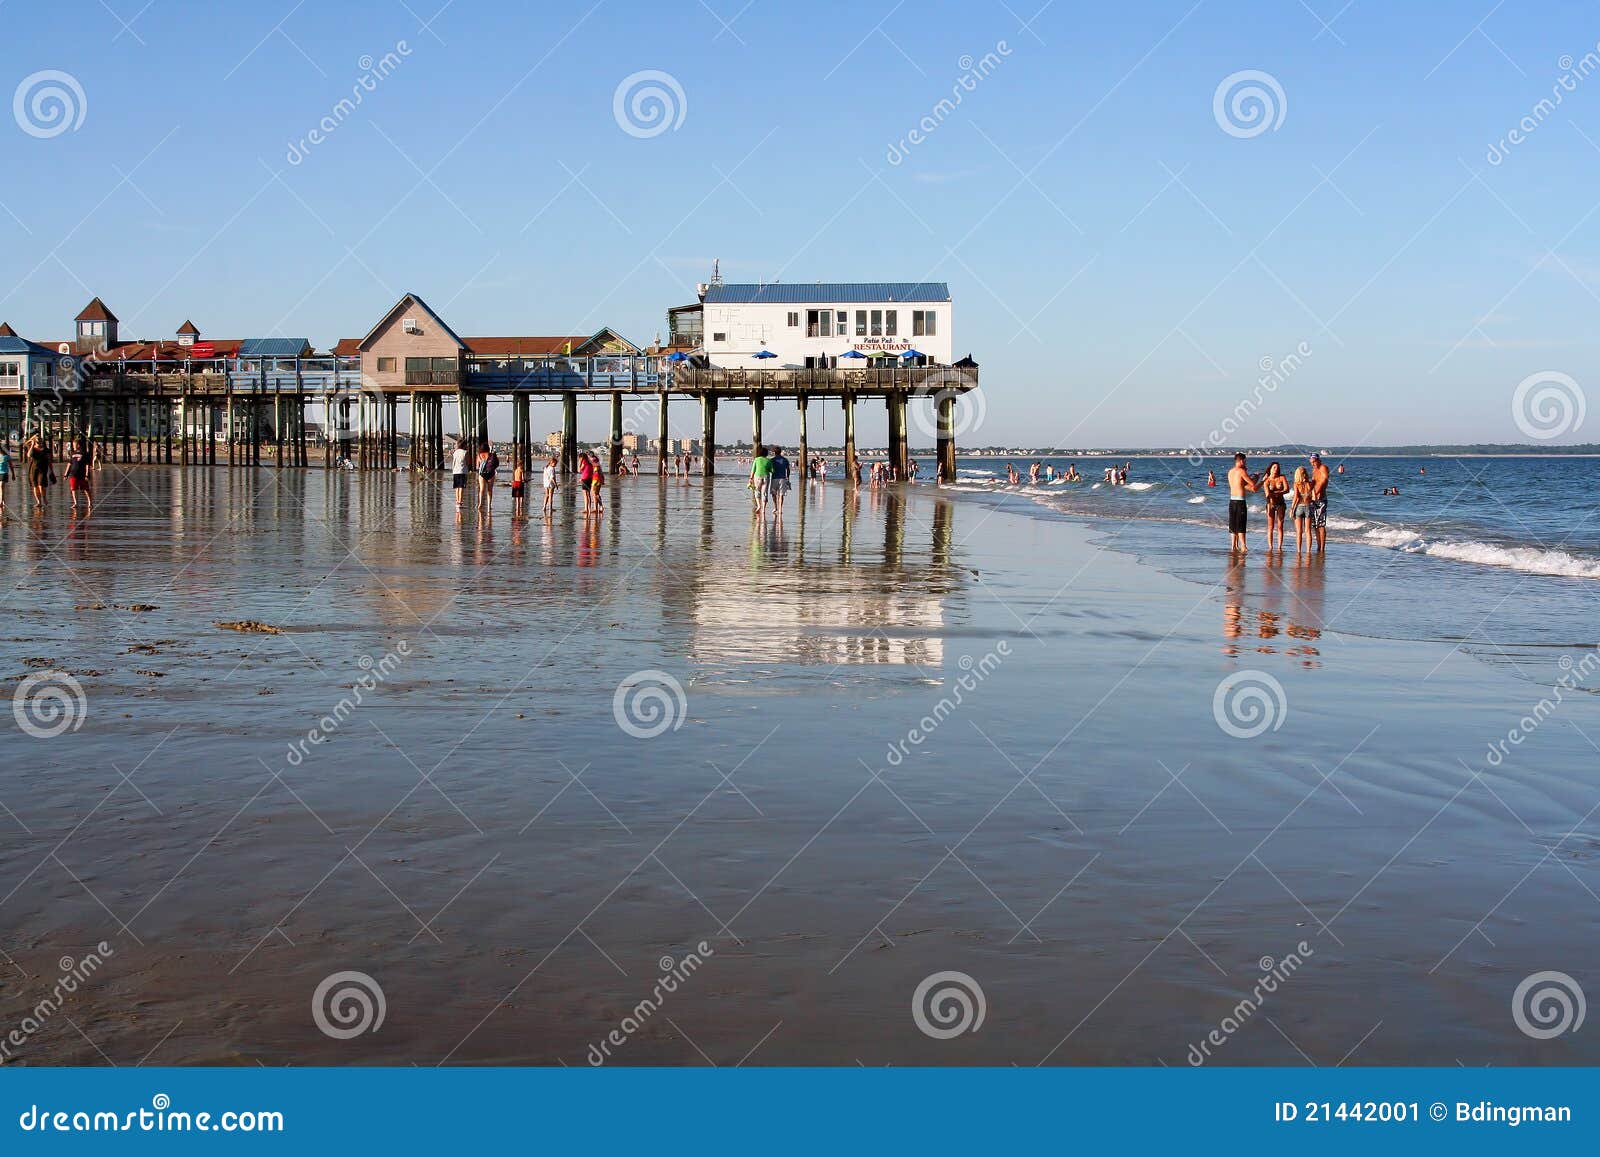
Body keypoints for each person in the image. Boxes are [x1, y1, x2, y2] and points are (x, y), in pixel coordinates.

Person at [1227, 452, 1259, 552]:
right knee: (1241, 524)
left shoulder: (1230, 472)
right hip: (1240, 501)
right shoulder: (1241, 471)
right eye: (1245, 461)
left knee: (1233, 524)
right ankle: (1243, 546)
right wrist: (1257, 476)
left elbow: (1241, 483)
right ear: (1241, 461)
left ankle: (1233, 546)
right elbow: (1252, 483)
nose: (1245, 463)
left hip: (1232, 500)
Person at [1261, 460, 1288, 551]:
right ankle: (1270, 546)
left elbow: (1287, 489)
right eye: (1274, 467)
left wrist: (1278, 492)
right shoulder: (1267, 480)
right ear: (1270, 469)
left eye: (1277, 468)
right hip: (1270, 503)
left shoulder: (1282, 478)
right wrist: (1274, 494)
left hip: (1281, 504)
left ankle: (1279, 546)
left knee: (1280, 526)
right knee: (1270, 526)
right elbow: (1267, 493)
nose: (1276, 469)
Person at [65, 437, 94, 515]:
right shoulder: (72, 453)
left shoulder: (85, 453)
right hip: (73, 474)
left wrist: (87, 474)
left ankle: (90, 502)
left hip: (82, 474)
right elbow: (69, 463)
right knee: (73, 488)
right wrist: (66, 474)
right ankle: (75, 503)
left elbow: (87, 464)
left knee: (86, 489)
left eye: (75, 444)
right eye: (73, 444)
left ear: (79, 445)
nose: (73, 446)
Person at [1308, 453, 1331, 553]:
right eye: (1311, 462)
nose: (1313, 464)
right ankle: (1318, 546)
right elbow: (1313, 483)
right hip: (1313, 500)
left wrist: (1316, 491)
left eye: (1314, 462)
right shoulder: (1314, 470)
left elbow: (1323, 480)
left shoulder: (1323, 468)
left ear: (1318, 460)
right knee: (1315, 525)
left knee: (1321, 524)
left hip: (1321, 500)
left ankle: (1322, 548)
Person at [25, 433, 52, 510]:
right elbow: (29, 455)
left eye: (40, 441)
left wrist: (51, 471)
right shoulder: (32, 448)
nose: (39, 443)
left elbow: (49, 461)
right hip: (33, 469)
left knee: (41, 485)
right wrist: (33, 441)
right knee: (35, 486)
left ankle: (44, 498)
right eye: (37, 441)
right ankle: (39, 502)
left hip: (43, 469)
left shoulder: (46, 450)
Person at [1290, 466, 1313, 555]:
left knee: (1299, 531)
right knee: (1308, 531)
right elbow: (1312, 496)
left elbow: (1296, 497)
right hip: (1308, 507)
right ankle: (1308, 551)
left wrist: (1292, 509)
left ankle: (1299, 550)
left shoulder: (1296, 484)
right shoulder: (1310, 484)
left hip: (1299, 506)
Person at [476, 440, 499, 516]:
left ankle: (480, 504)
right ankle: (489, 506)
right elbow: (496, 464)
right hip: (491, 473)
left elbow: (477, 466)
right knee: (489, 490)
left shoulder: (479, 455)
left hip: (482, 474)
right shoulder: (491, 455)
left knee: (481, 490)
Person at [768, 445, 791, 519]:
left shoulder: (772, 460)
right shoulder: (785, 460)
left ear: (774, 452)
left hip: (774, 478)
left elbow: (769, 470)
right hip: (783, 479)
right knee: (781, 494)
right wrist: (788, 477)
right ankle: (780, 509)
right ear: (780, 452)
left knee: (773, 494)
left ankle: (776, 507)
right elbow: (788, 469)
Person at [749, 446, 772, 516]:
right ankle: (764, 510)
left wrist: (750, 478)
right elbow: (772, 470)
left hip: (757, 477)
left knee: (757, 491)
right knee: (764, 493)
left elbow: (753, 470)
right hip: (766, 476)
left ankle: (759, 506)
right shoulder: (768, 460)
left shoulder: (756, 459)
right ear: (766, 454)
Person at [450, 439, 469, 511]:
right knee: (461, 487)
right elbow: (467, 462)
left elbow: (453, 462)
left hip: (455, 471)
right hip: (462, 471)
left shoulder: (455, 452)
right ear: (464, 445)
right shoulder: (465, 452)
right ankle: (460, 502)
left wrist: (453, 469)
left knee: (457, 487)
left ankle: (457, 501)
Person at [0, 441, 11, 515]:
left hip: (4, 473)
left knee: (1, 487)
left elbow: (11, 466)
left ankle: (1, 501)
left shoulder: (6, 456)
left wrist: (13, 474)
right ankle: (2, 500)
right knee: (0, 488)